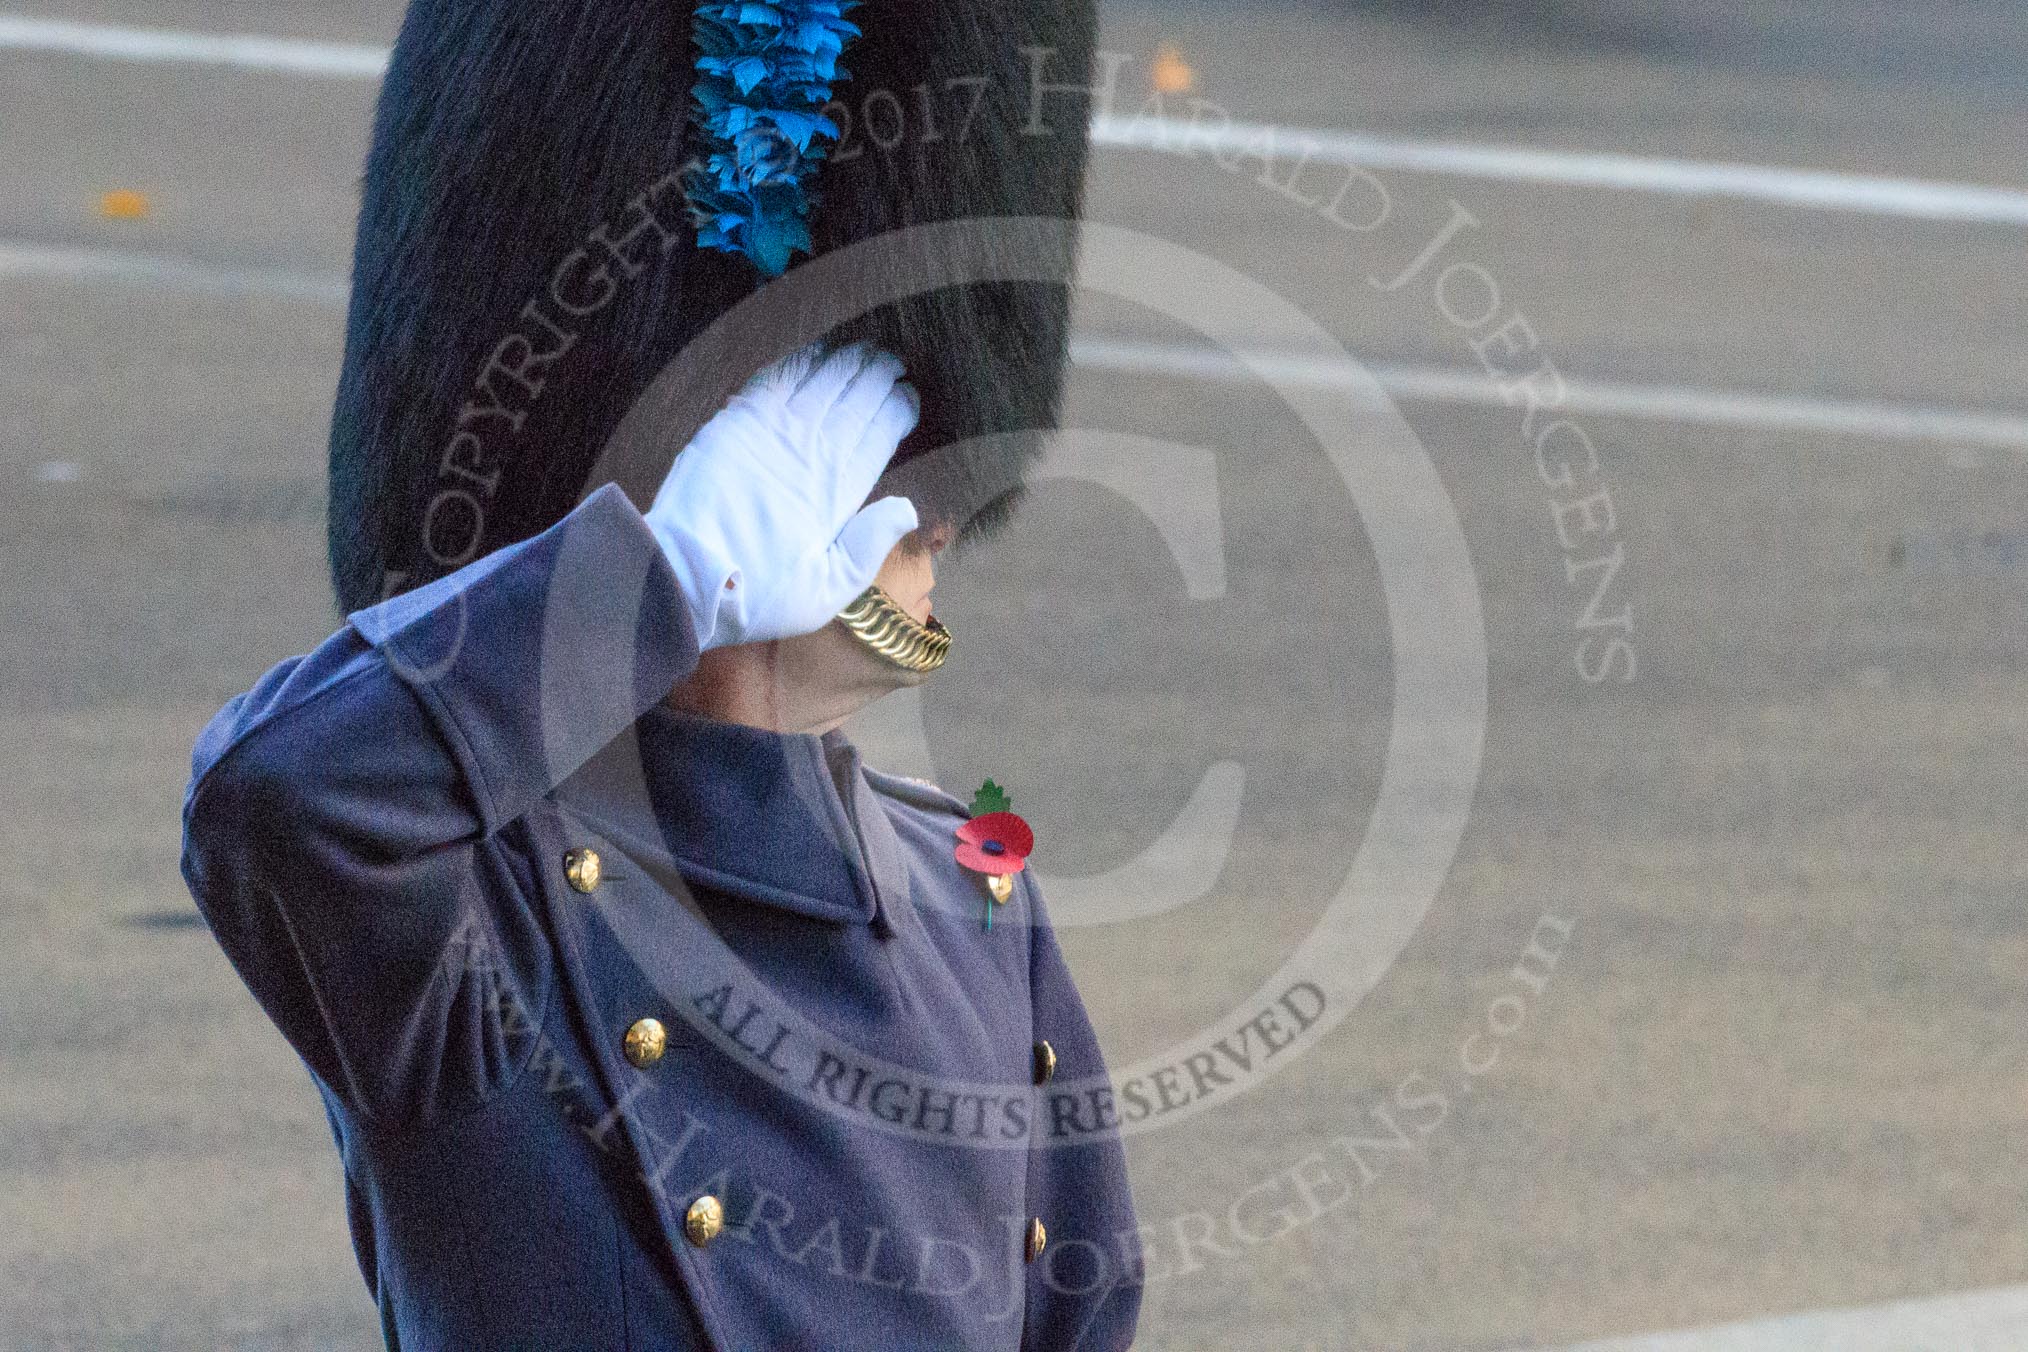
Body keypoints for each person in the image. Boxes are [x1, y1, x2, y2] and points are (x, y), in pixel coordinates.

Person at [181, 1, 1140, 1348]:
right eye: (847, 429)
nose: (935, 514)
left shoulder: (979, 911)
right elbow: (267, 803)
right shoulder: (478, 909)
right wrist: (647, 581)